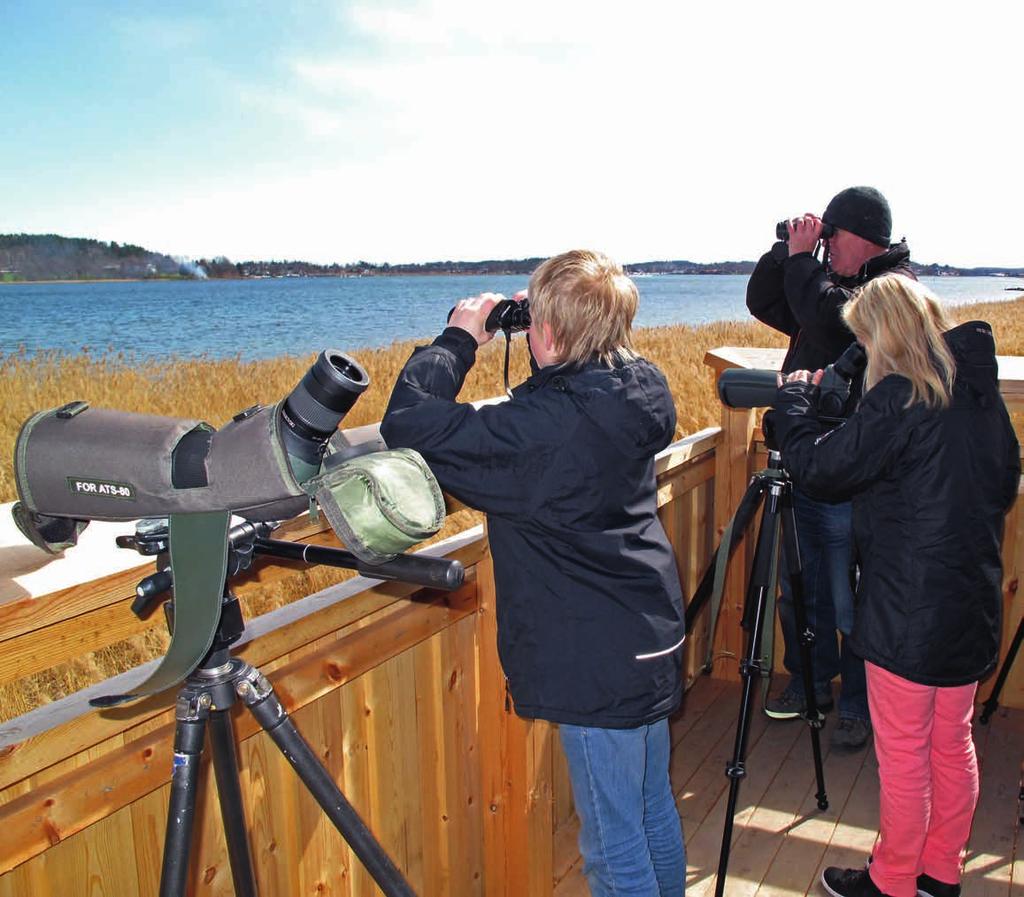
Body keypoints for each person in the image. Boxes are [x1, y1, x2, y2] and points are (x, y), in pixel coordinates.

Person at [380, 249, 687, 897]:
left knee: (611, 844)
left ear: (547, 333)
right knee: (651, 803)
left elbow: (408, 424)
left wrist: (461, 336)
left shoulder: (547, 428)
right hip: (649, 632)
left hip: (596, 661)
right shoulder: (636, 387)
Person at [771, 274, 1020, 897]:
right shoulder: (981, 398)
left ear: (882, 337)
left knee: (905, 753)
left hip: (906, 610)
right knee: (951, 740)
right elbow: (1001, 481)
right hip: (970, 601)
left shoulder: (901, 399)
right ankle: (941, 872)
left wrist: (796, 406)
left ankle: (891, 881)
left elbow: (822, 471)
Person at [746, 185, 916, 751]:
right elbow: (765, 302)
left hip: (856, 468)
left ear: (863, 237)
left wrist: (802, 262)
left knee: (856, 592)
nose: (828, 247)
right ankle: (811, 680)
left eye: (832, 237)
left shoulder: (891, 291)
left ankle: (858, 703)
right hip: (808, 457)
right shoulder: (831, 284)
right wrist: (785, 254)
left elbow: (830, 321)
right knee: (805, 582)